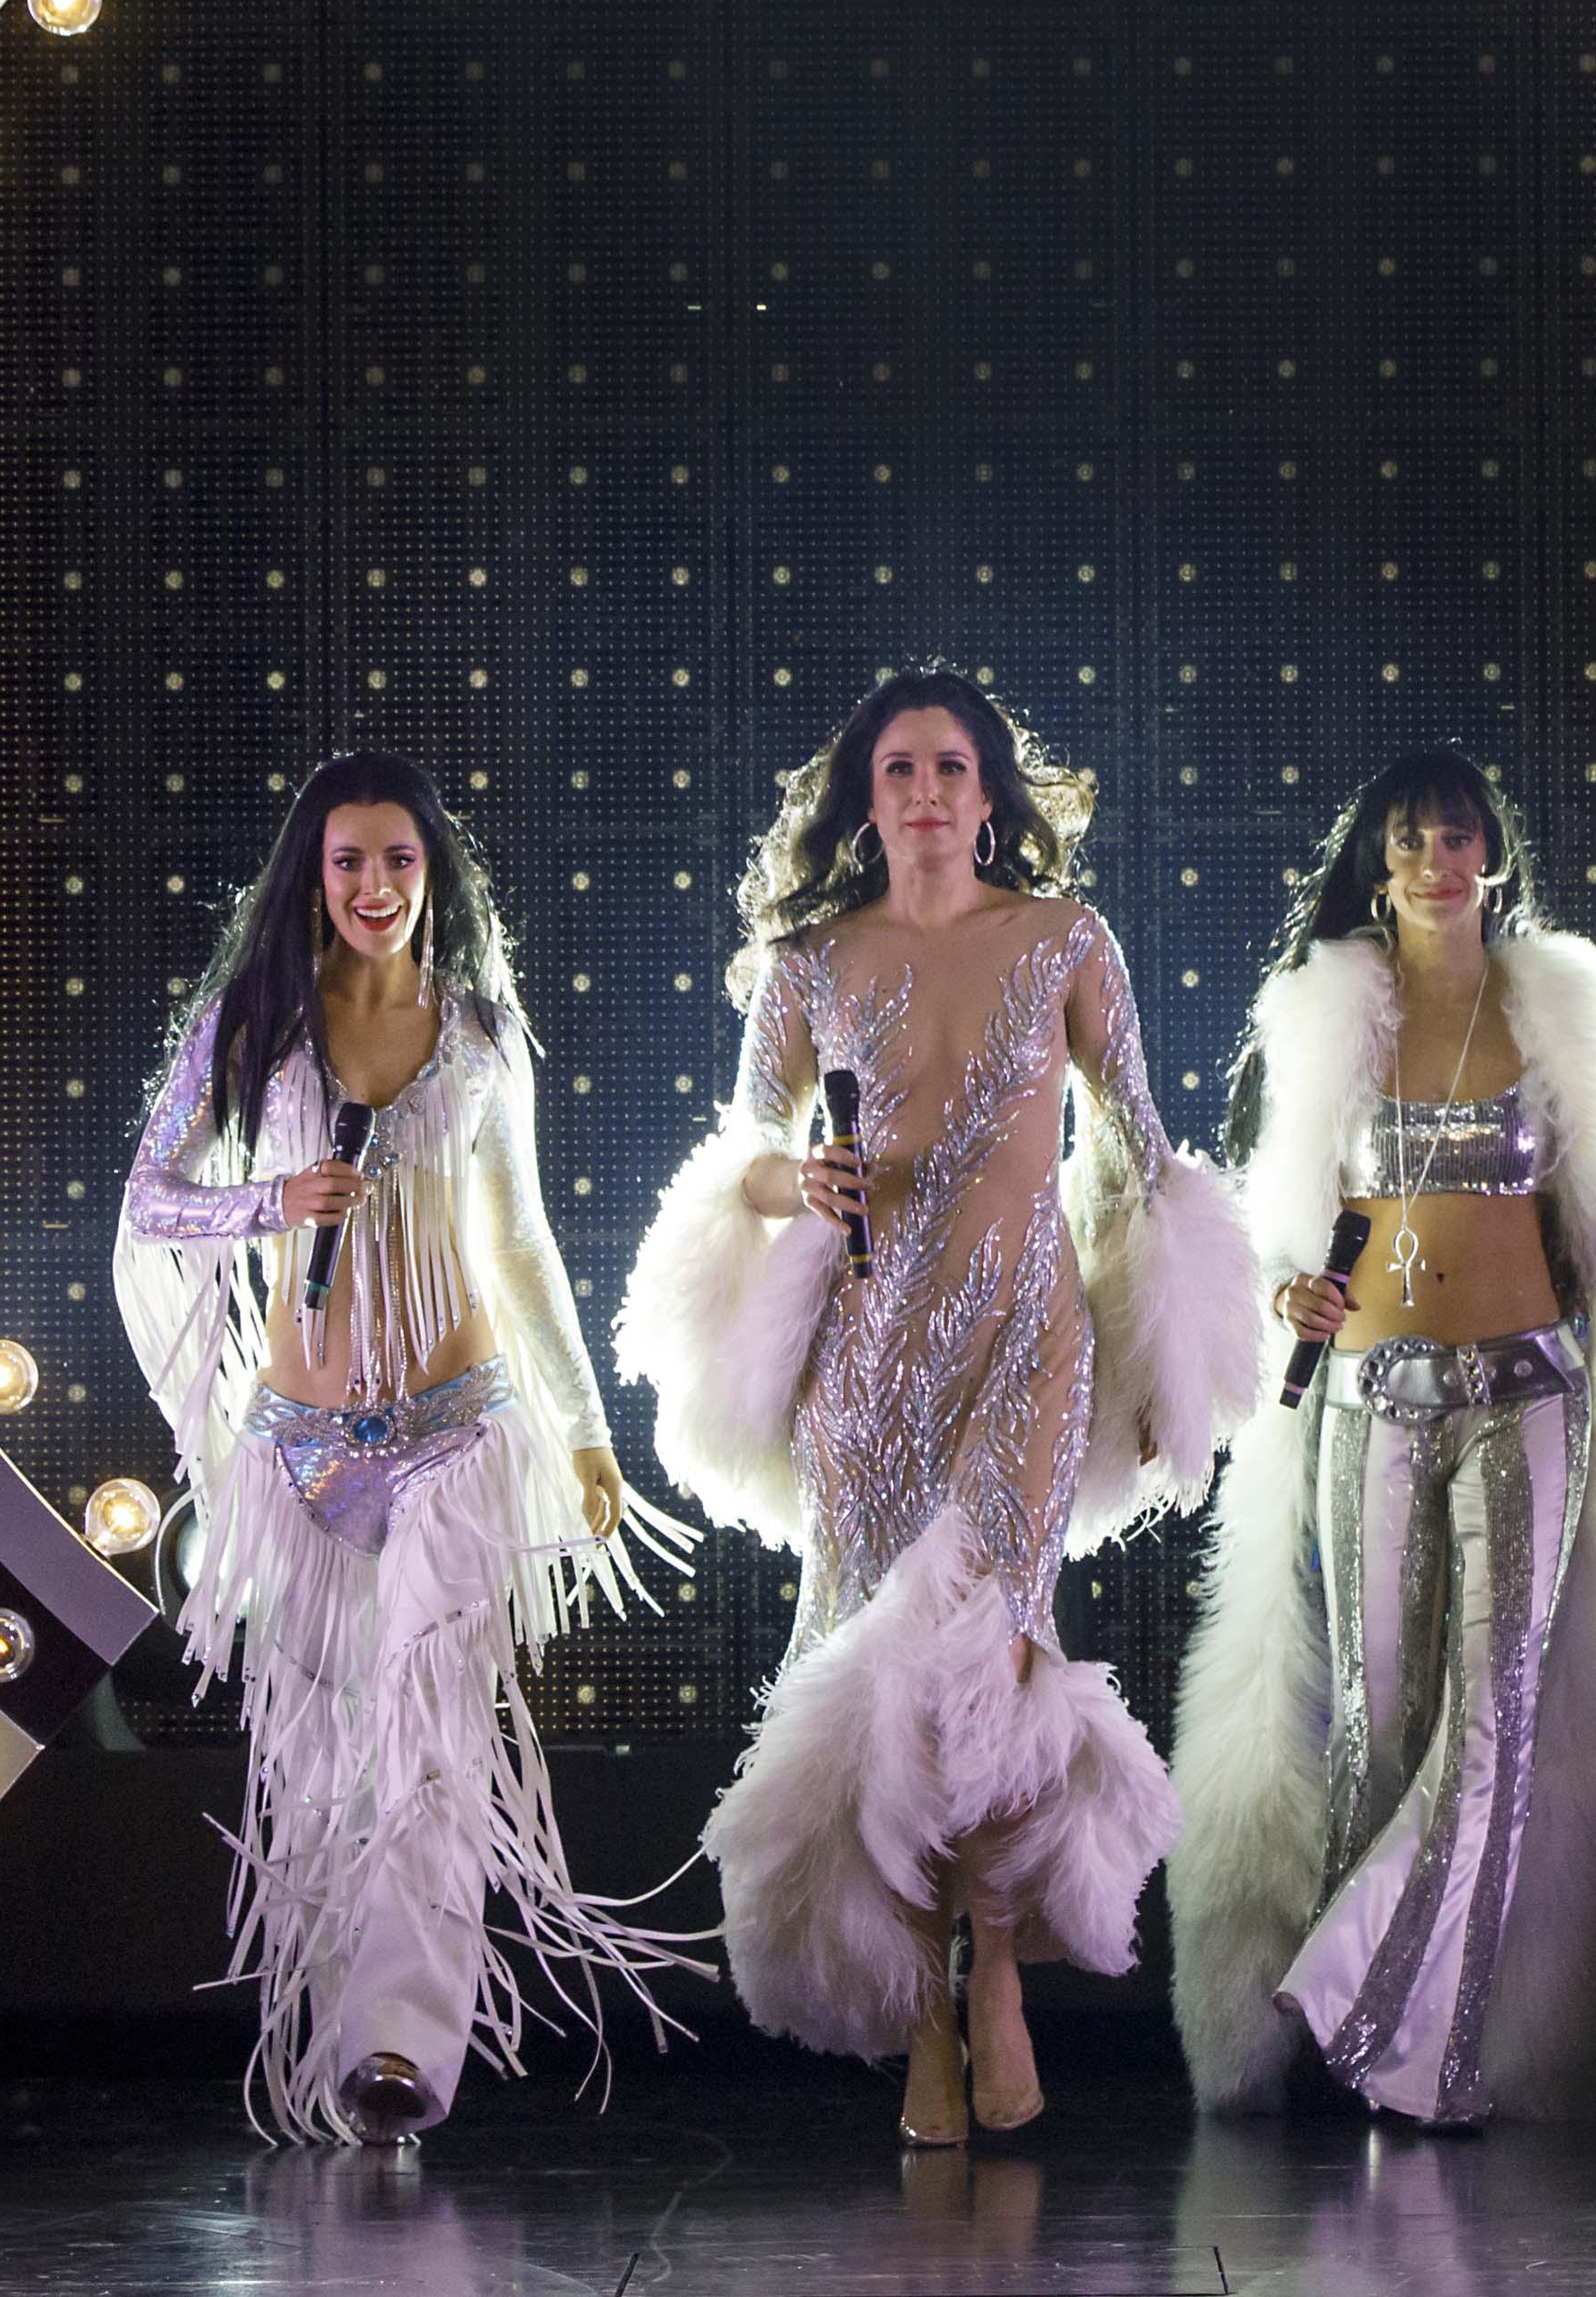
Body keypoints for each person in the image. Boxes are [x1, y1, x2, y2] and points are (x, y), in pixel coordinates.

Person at [614, 666, 1258, 2147]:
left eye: (949, 767)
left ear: (988, 794)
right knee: (879, 1663)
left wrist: (1175, 1361)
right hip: (866, 1358)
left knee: (992, 1646)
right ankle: (915, 2012)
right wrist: (795, 1183)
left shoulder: (1064, 939)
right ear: (864, 799)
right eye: (895, 769)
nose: (922, 792)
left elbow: (1146, 1151)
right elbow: (742, 1155)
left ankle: (999, 1979)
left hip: (1028, 1347)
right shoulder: (809, 961)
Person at [1164, 748, 1596, 2130]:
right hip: (1369, 1396)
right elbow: (1247, 1215)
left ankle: (1403, 2032)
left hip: (1527, 1395)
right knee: (1374, 1729)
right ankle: (1346, 2040)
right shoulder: (1320, 1015)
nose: (1439, 863)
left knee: (1497, 1728)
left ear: (1491, 857)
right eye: (1411, 840)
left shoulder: (1560, 1005)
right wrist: (1282, 1288)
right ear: (1374, 862)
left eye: (1460, 840)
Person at [113, 751, 690, 2145]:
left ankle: (400, 2059)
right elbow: (149, 1198)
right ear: (313, 881)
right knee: (325, 1767)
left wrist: (586, 1431)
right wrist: (272, 1200)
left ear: (434, 876)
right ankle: (336, 2035)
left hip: (458, 1430)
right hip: (299, 1452)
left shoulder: (484, 1033)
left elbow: (524, 1238)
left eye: (398, 861)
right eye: (347, 863)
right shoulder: (254, 1025)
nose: (374, 887)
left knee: (435, 1746)